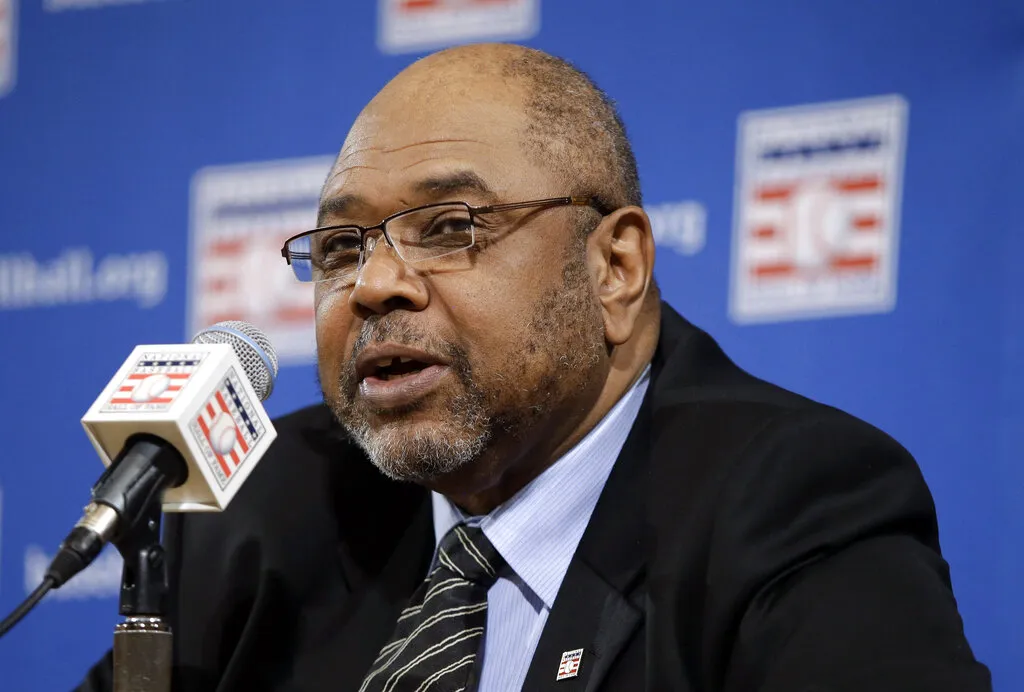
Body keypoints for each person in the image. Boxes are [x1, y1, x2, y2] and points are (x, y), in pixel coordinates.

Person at [79, 43, 990, 691]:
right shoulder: (268, 508)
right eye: (342, 246)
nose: (375, 285)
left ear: (614, 268)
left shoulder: (792, 503)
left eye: (450, 228)